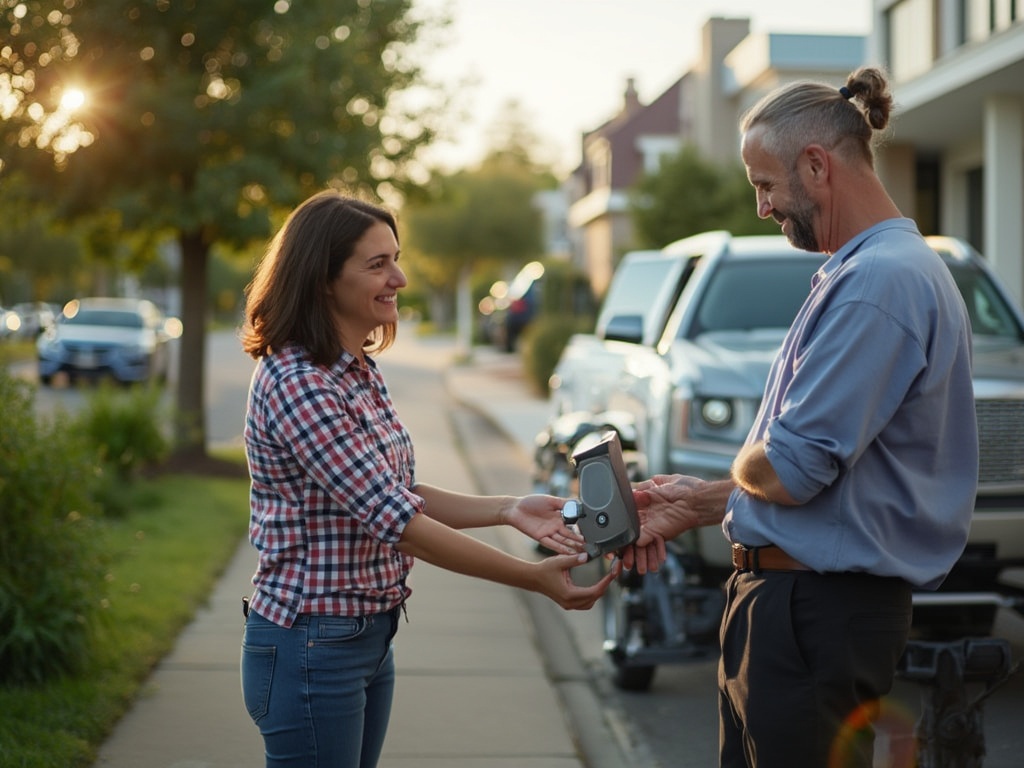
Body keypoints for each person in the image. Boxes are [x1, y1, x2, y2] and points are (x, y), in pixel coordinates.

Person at [628, 67, 978, 768]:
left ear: (816, 166)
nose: (761, 207)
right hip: (802, 610)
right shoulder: (867, 271)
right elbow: (832, 476)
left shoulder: (879, 282)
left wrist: (746, 455)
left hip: (812, 618)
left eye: (765, 185)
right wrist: (694, 504)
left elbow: (789, 469)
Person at [238, 189, 618, 768]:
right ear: (322, 279)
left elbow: (399, 494)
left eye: (396, 258)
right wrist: (531, 577)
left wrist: (508, 507)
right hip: (312, 643)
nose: (400, 277)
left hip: (363, 637)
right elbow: (402, 525)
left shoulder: (357, 369)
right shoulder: (299, 382)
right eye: (377, 264)